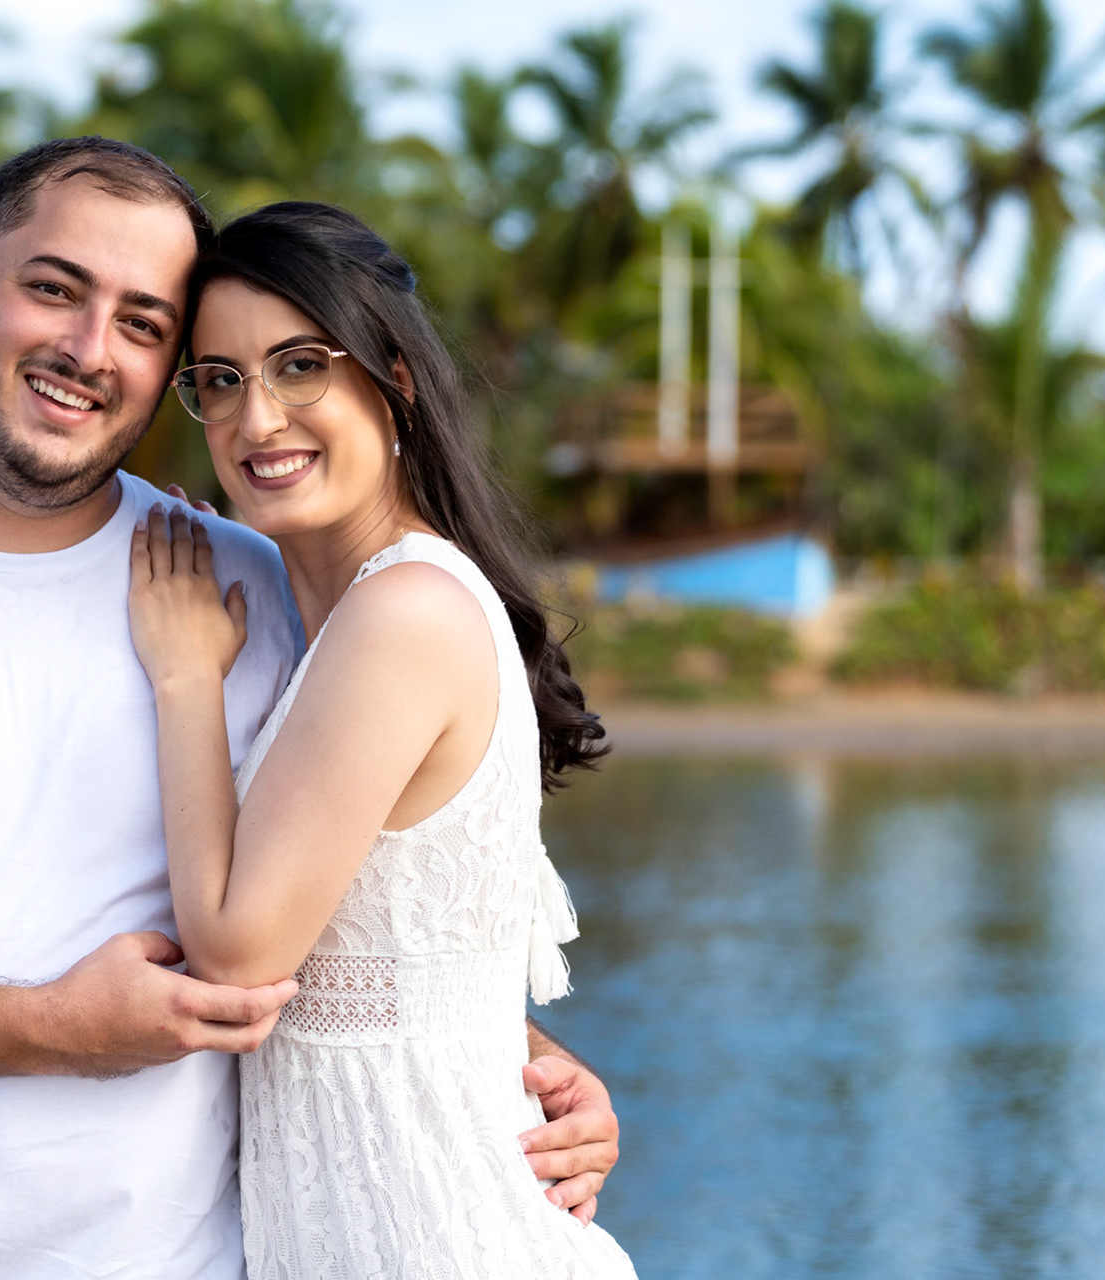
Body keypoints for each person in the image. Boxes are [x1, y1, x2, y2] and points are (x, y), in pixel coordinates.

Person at [0, 136, 620, 1278]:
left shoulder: (247, 579)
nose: (88, 349)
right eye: (53, 288)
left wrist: (512, 1060)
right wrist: (49, 1027)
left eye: (142, 323)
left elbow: (362, 899)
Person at [126, 202, 637, 1277]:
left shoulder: (402, 610)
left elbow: (237, 952)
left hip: (439, 1236)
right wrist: (539, 1058)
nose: (255, 418)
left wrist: (183, 676)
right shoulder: (357, 610)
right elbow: (409, 966)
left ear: (394, 377)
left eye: (299, 365)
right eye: (217, 379)